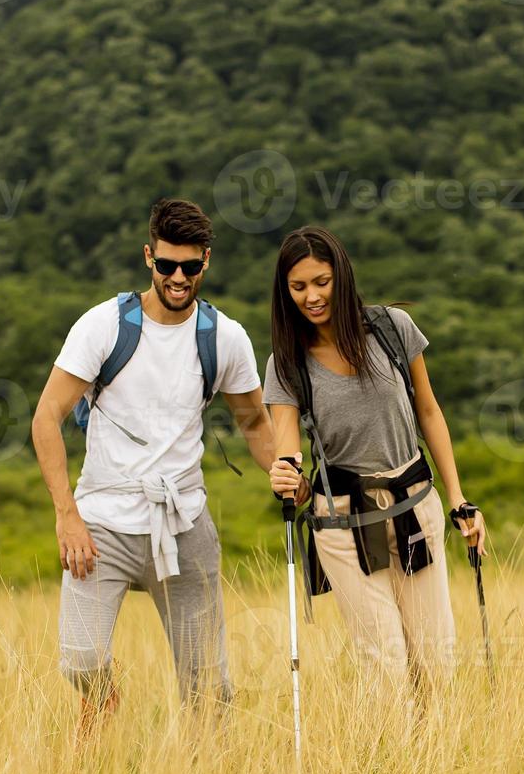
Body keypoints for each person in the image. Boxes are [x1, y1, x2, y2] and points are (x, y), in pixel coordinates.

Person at [31, 198, 274, 739]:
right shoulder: (104, 326)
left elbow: (255, 422)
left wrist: (284, 468)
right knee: (80, 660)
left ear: (206, 262)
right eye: (167, 265)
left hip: (183, 522)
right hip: (102, 521)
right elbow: (45, 418)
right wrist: (66, 515)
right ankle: (105, 698)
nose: (178, 277)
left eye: (190, 266)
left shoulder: (225, 337)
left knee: (208, 689)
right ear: (148, 257)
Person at [262, 225, 488, 704]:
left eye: (321, 281)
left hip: (414, 506)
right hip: (342, 522)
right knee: (383, 662)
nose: (312, 296)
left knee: (435, 659)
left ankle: (440, 772)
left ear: (340, 274)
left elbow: (428, 411)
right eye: (298, 287)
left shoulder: (391, 329)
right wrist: (287, 475)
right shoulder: (287, 362)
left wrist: (459, 499)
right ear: (285, 292)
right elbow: (287, 448)